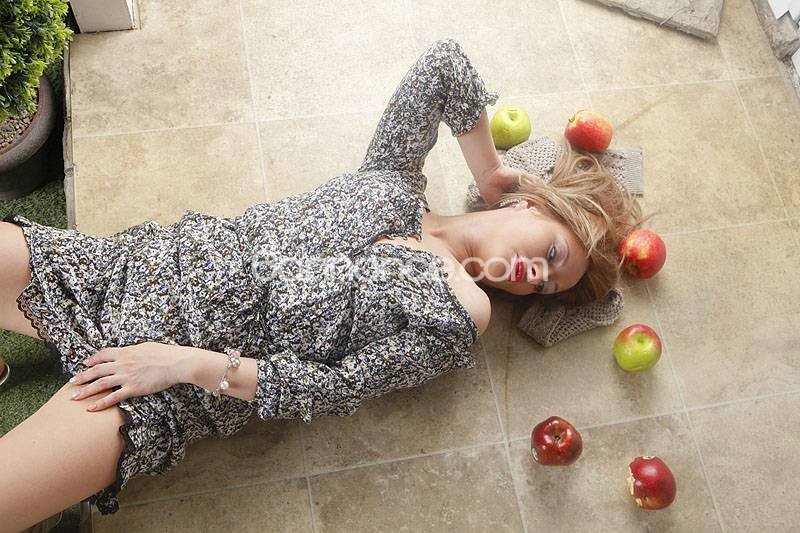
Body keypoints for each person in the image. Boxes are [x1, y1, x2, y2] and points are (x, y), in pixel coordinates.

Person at [0, 38, 641, 529]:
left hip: (162, 391)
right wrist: (491, 171)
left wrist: (181, 365)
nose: (538, 276)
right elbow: (444, 64)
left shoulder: (461, 312)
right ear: (531, 205)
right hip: (133, 270)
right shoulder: (393, 177)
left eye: (547, 287)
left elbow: (331, 387)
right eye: (552, 252)